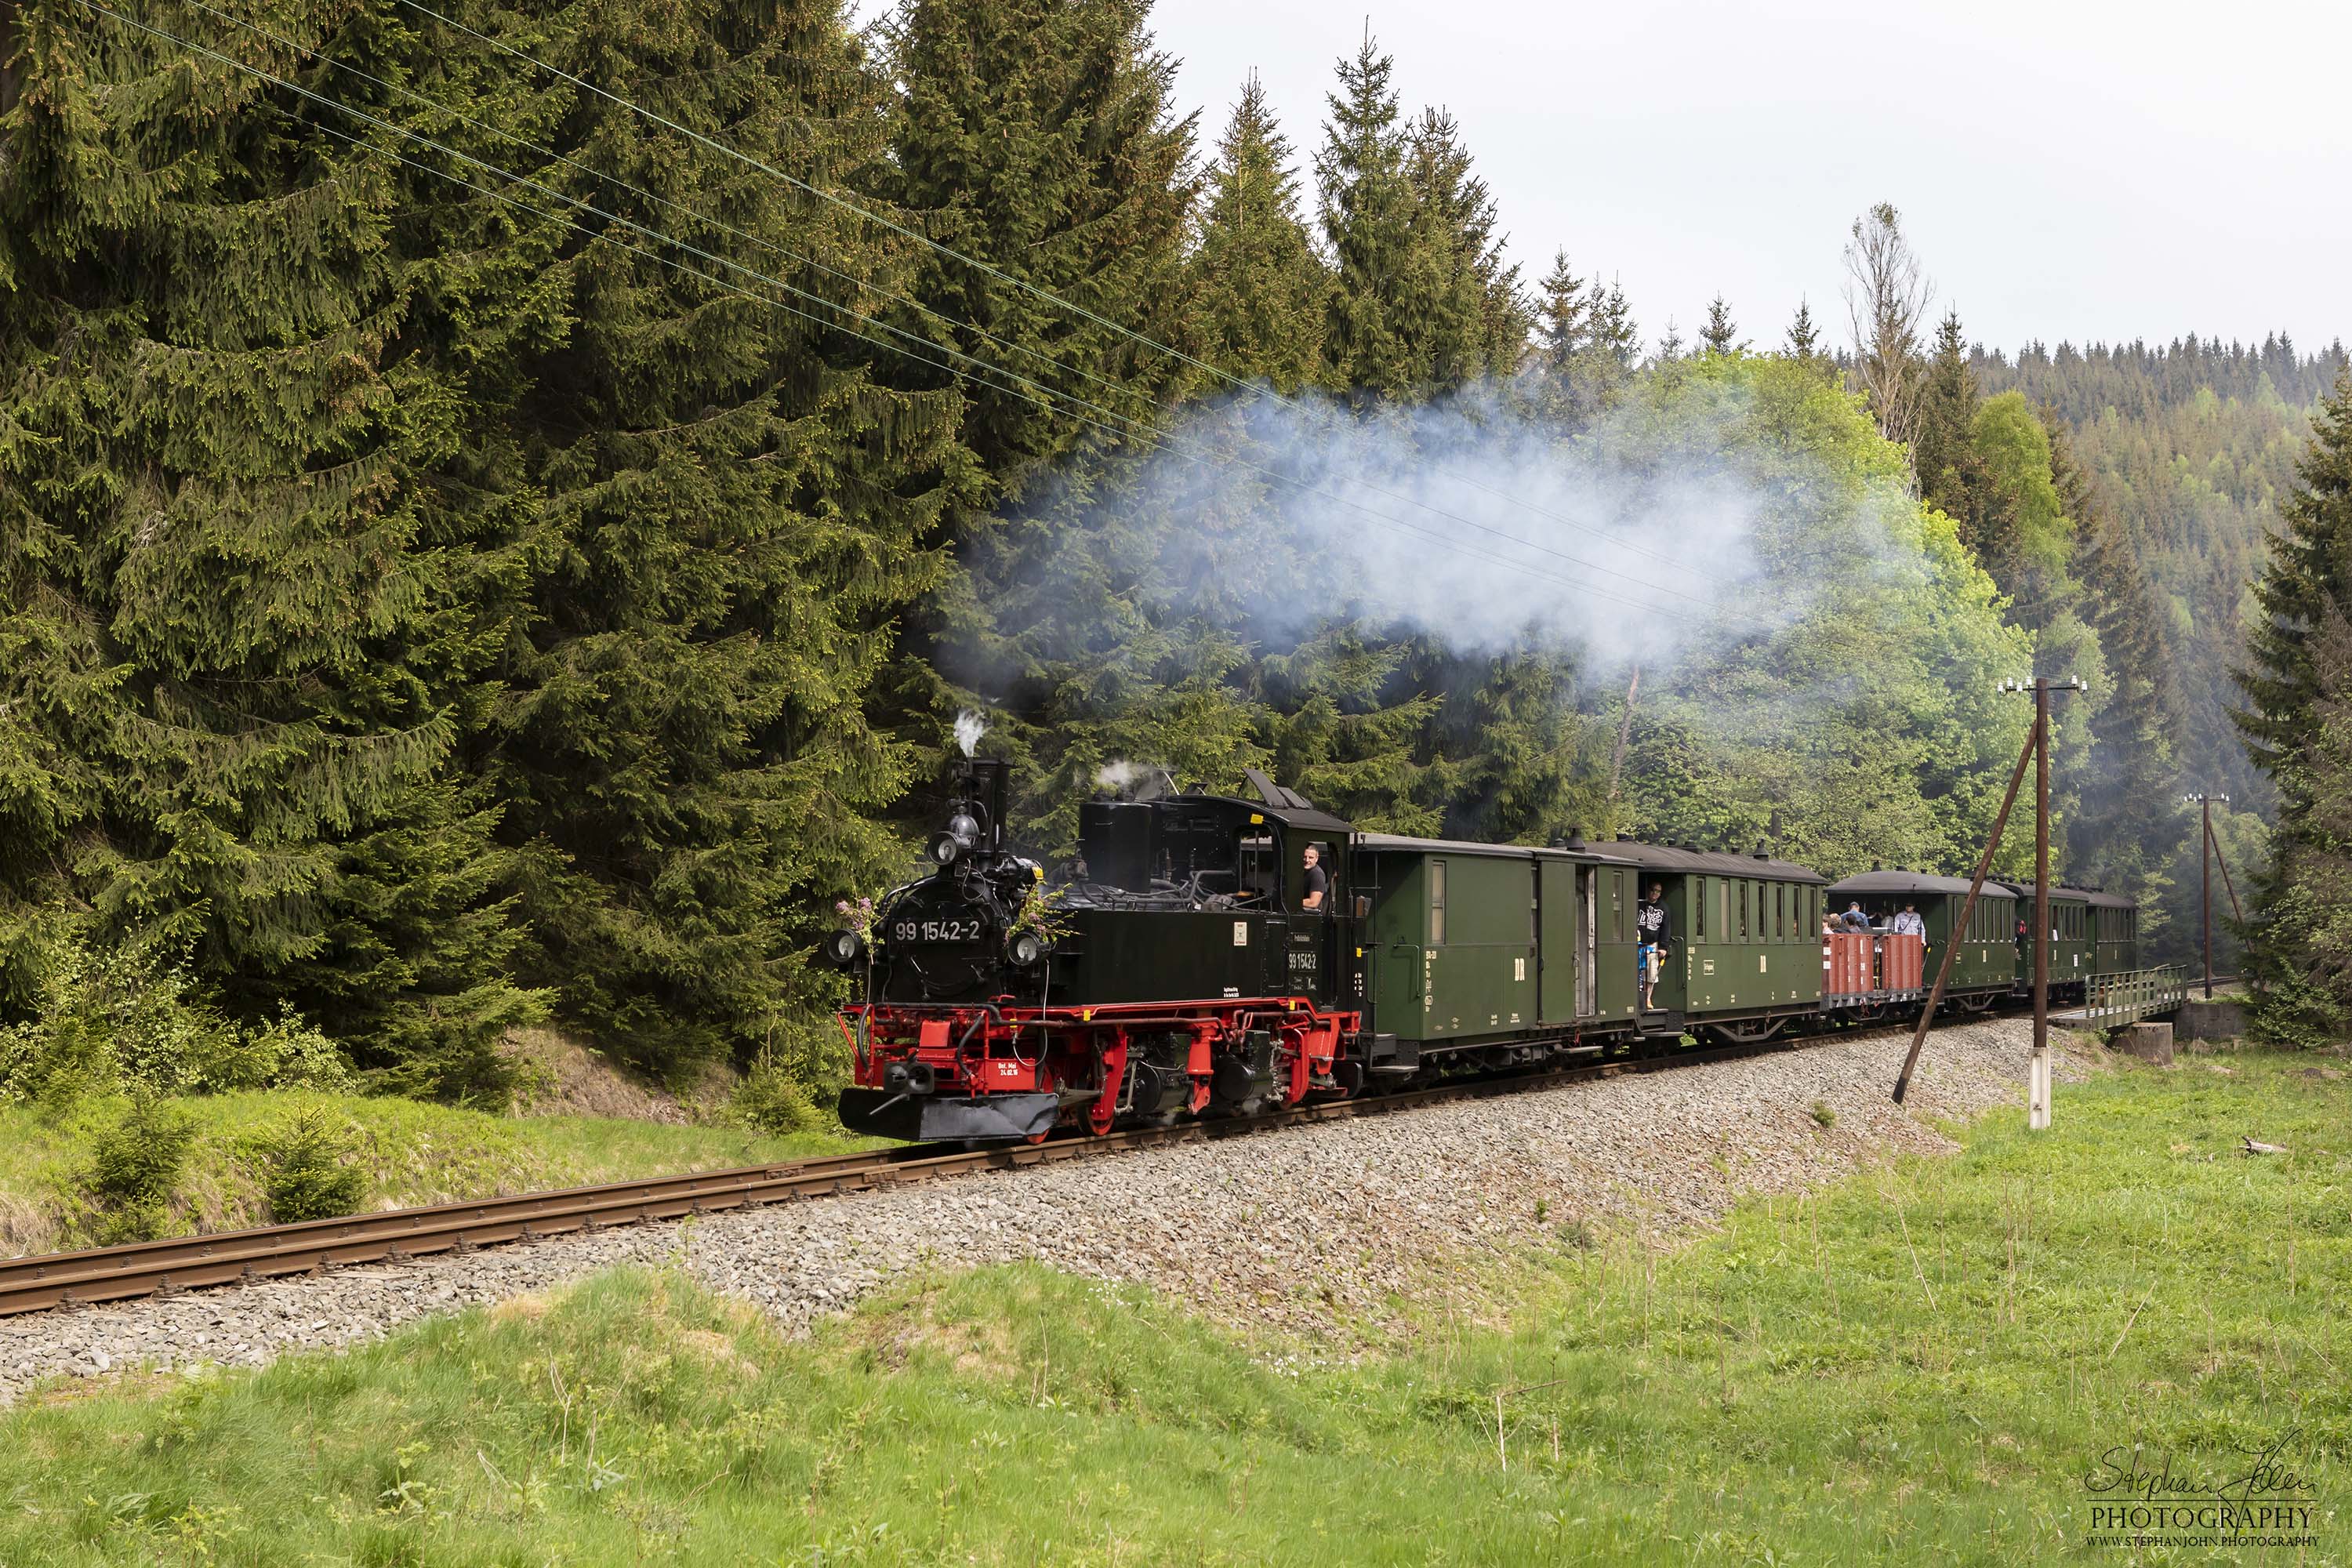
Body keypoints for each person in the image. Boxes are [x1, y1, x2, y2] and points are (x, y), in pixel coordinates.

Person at [1635, 883, 1668, 1009]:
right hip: (1637, 944)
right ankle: (1636, 997)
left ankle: (1648, 999)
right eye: (1653, 890)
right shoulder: (1639, 904)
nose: (1655, 893)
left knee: (1652, 973)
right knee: (1637, 972)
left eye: (1658, 891)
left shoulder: (1664, 908)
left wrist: (1664, 947)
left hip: (1652, 944)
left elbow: (1666, 929)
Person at [1300, 844, 1328, 913]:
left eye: (1311, 857)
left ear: (1317, 858)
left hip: (1311, 917)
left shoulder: (1317, 874)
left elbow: (1313, 902)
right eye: (1305, 857)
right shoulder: (1300, 870)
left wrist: (1291, 902)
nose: (1307, 860)